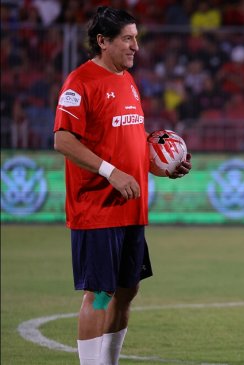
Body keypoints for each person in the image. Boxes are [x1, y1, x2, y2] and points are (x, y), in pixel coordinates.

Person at [53, 7, 192, 365]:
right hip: (98, 211)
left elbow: (129, 141)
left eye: (136, 38)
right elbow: (63, 140)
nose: (136, 46)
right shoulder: (80, 82)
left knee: (127, 289)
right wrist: (110, 171)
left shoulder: (127, 80)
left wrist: (160, 167)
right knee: (100, 293)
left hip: (132, 209)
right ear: (103, 41)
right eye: (127, 39)